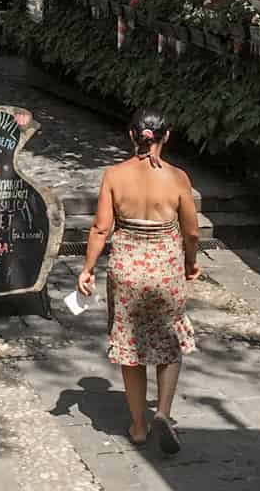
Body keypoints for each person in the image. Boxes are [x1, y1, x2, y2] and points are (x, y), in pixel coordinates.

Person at [76, 108, 200, 454]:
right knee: (169, 340)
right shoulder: (178, 178)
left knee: (130, 345)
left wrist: (87, 268)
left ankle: (139, 426)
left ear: (132, 136)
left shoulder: (115, 176)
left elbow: (101, 228)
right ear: (167, 136)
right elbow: (191, 231)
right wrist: (191, 263)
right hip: (165, 269)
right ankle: (162, 412)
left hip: (127, 268)